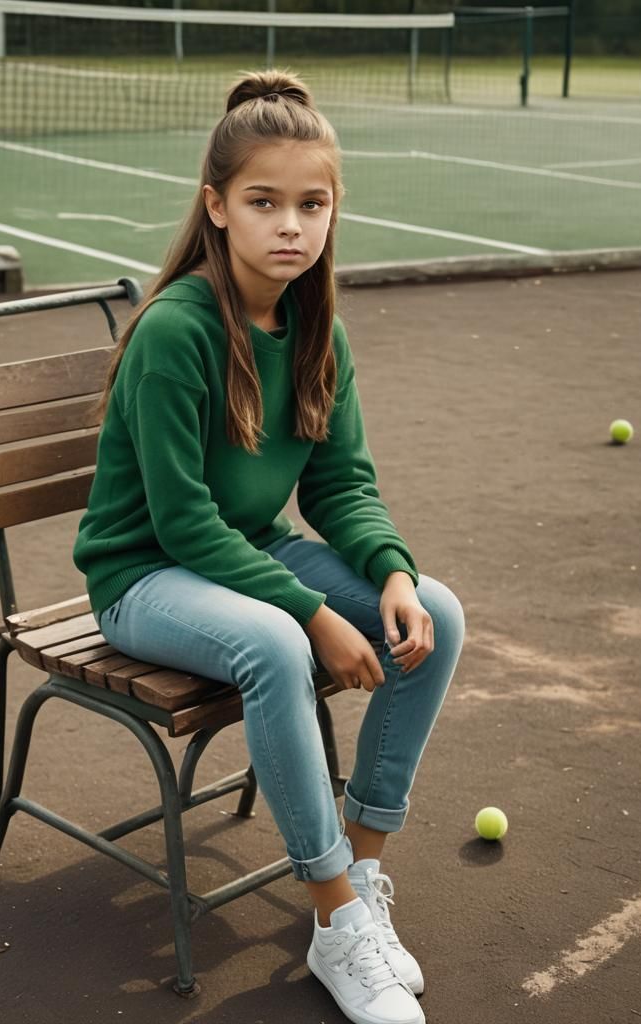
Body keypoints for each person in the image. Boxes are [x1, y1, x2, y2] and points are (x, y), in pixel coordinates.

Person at [73, 69, 464, 1024]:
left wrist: (392, 573)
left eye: (312, 203)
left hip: (246, 555)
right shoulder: (175, 331)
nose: (290, 223)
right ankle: (334, 924)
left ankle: (361, 877)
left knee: (438, 617)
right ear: (217, 207)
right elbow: (181, 524)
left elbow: (339, 485)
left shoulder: (317, 325)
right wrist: (316, 614)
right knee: (280, 643)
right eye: (264, 202)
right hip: (145, 576)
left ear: (333, 211)